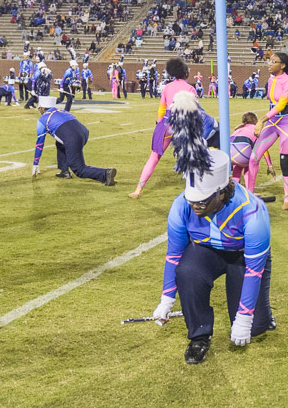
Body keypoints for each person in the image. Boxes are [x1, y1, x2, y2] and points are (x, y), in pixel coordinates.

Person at [151, 104, 273, 365]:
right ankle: (199, 335)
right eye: (191, 200)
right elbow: (174, 256)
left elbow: (254, 269)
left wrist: (244, 318)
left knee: (254, 327)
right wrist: (166, 298)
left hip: (242, 254)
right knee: (188, 271)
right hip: (207, 250)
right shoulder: (181, 206)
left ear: (221, 193)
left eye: (202, 202)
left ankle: (262, 315)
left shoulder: (253, 213)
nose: (195, 207)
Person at [129, 58, 196, 199]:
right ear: (185, 72)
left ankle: (138, 190)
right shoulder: (190, 89)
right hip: (183, 124)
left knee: (154, 157)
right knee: (191, 158)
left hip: (166, 124)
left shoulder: (167, 87)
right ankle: (193, 191)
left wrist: (160, 125)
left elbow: (161, 109)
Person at [245, 51, 288, 211]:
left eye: (274, 61)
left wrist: (261, 120)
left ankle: (287, 199)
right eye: (270, 61)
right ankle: (249, 194)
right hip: (273, 122)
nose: (269, 63)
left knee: (285, 162)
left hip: (287, 123)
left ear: (282, 65)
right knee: (254, 157)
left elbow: (281, 105)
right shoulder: (270, 79)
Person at [31, 96, 117, 185]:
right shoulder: (63, 112)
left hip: (73, 138)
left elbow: (40, 143)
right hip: (84, 132)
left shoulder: (42, 120)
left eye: (39, 108)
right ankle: (64, 171)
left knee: (79, 169)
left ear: (43, 108)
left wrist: (35, 163)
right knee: (60, 144)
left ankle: (105, 173)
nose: (39, 111)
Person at [228, 112, 274, 183]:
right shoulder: (256, 129)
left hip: (229, 154)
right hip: (241, 154)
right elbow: (263, 149)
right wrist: (270, 165)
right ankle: (249, 191)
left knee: (238, 167)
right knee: (251, 163)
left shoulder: (239, 129)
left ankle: (235, 189)